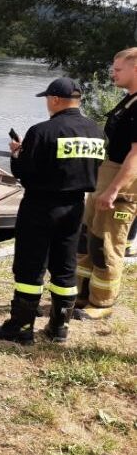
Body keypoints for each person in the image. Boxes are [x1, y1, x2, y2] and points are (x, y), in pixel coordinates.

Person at [0, 78, 104, 344]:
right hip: (75, 206)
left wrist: (17, 154)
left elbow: (25, 174)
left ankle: (20, 327)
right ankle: (58, 327)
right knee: (65, 265)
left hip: (40, 206)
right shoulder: (96, 131)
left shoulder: (42, 131)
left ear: (54, 100)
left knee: (30, 266)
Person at [77, 47, 137, 320]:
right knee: (88, 237)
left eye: (118, 69)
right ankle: (79, 294)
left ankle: (102, 303)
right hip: (108, 173)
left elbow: (136, 156)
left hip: (123, 182)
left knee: (107, 243)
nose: (112, 73)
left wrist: (114, 190)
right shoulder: (128, 101)